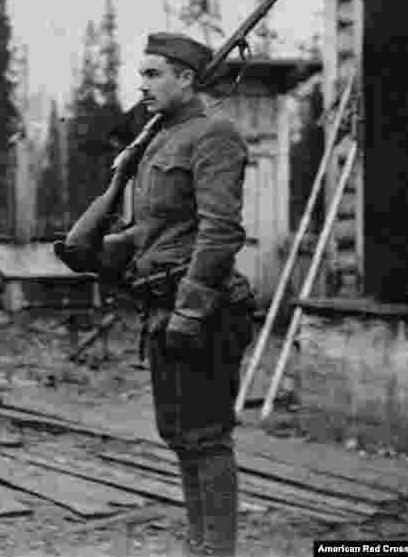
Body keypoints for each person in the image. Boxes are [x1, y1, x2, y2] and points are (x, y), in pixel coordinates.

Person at [55, 31, 254, 557]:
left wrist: (189, 309)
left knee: (207, 437)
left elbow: (221, 231)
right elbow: (151, 232)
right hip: (162, 308)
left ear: (186, 79)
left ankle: (217, 551)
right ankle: (198, 547)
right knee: (181, 435)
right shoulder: (156, 143)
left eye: (152, 74)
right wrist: (96, 251)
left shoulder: (214, 136)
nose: (141, 85)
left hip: (205, 309)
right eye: (141, 74)